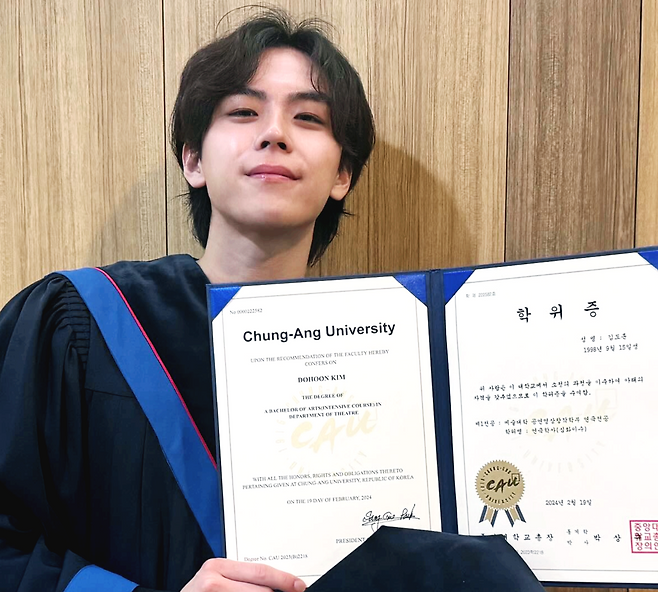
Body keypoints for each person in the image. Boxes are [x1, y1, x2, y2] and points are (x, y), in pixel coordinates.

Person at [0, 10, 374, 592]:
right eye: (243, 112)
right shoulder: (84, 324)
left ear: (342, 175)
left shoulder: (388, 352)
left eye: (307, 117)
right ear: (193, 160)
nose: (275, 133)